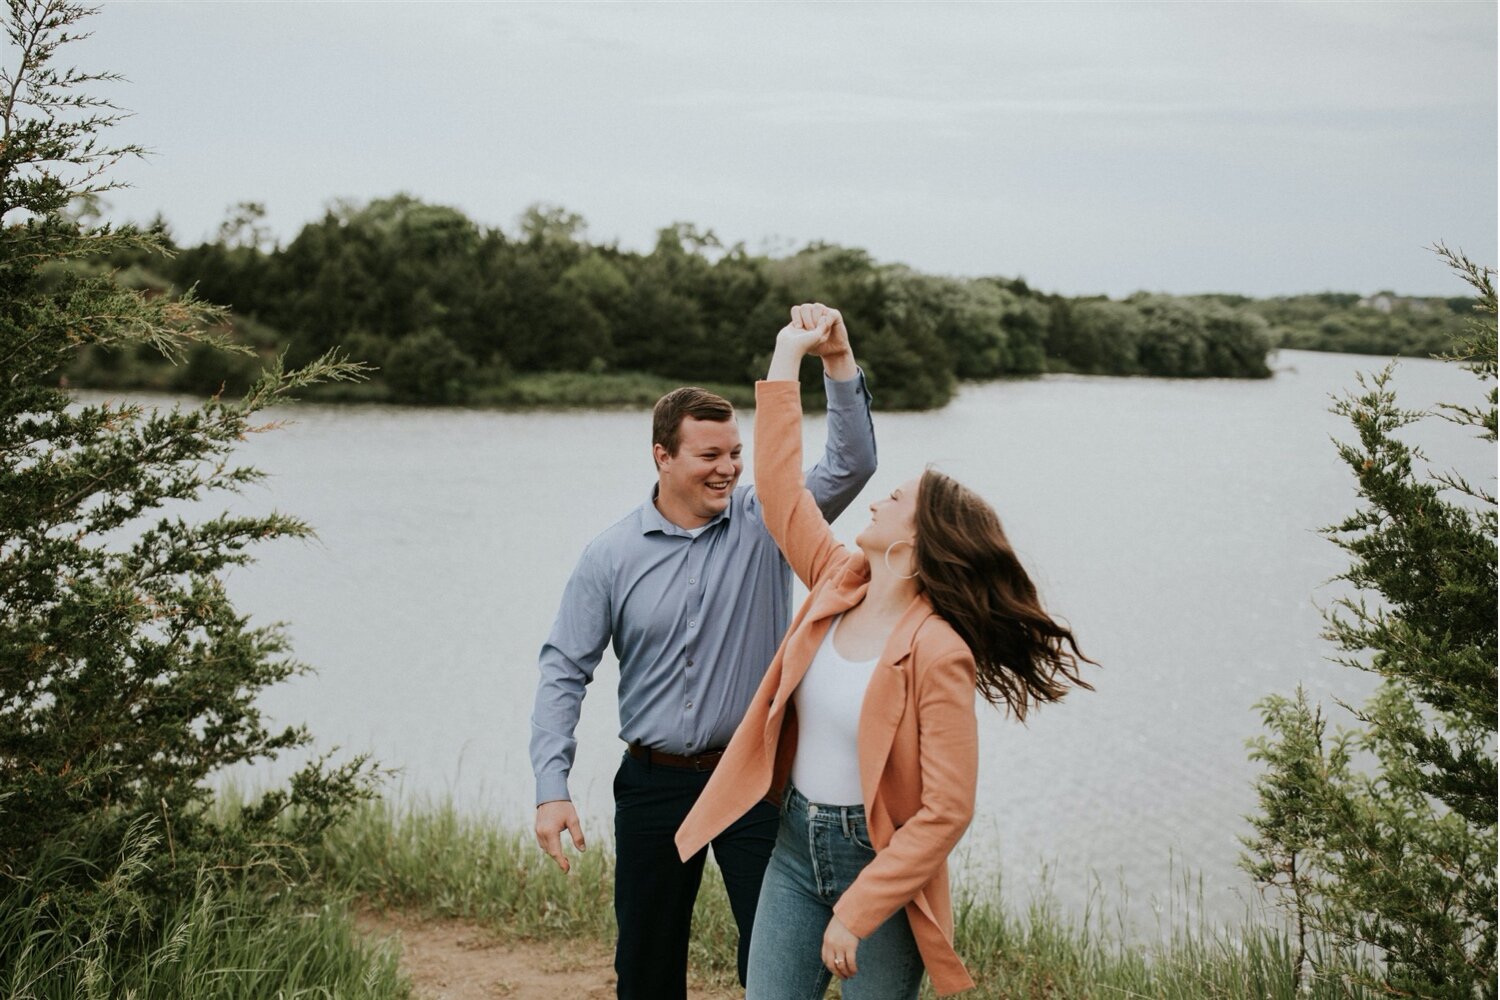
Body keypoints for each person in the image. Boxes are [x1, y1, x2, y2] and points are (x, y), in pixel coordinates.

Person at [675, 312, 1094, 999]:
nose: (877, 500)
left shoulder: (938, 650)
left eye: (896, 499)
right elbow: (781, 494)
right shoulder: (838, 581)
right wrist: (808, 359)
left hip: (881, 872)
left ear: (917, 544)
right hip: (792, 851)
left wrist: (860, 908)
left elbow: (947, 810)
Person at [529, 304, 878, 1000]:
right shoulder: (610, 555)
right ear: (663, 455)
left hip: (753, 782)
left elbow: (852, 463)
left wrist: (836, 361)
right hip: (654, 785)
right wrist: (551, 787)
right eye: (709, 457)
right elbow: (564, 669)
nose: (728, 471)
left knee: (777, 964)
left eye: (736, 455)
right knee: (647, 971)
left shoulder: (766, 521)